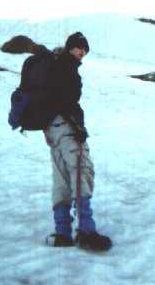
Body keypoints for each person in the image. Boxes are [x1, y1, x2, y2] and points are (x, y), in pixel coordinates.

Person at [44, 32, 112, 250]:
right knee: (82, 170)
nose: (82, 52)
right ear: (70, 47)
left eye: (85, 49)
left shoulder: (55, 65)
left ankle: (62, 232)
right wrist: (77, 126)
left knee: (62, 176)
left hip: (51, 129)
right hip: (66, 128)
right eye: (79, 47)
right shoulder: (66, 69)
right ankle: (85, 230)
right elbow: (64, 101)